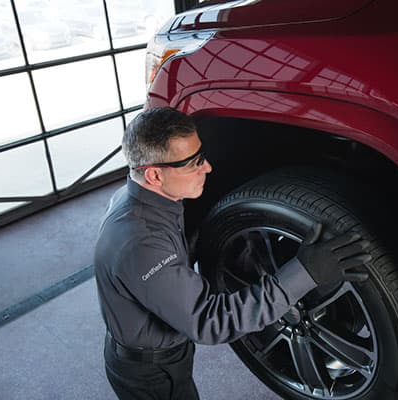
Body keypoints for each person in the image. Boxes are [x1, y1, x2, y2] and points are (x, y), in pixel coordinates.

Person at [94, 107, 371, 400]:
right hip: (151, 374)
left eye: (203, 154)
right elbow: (210, 322)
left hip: (159, 347)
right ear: (154, 175)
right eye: (194, 163)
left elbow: (174, 254)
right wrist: (304, 273)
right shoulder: (141, 245)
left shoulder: (142, 199)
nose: (208, 167)